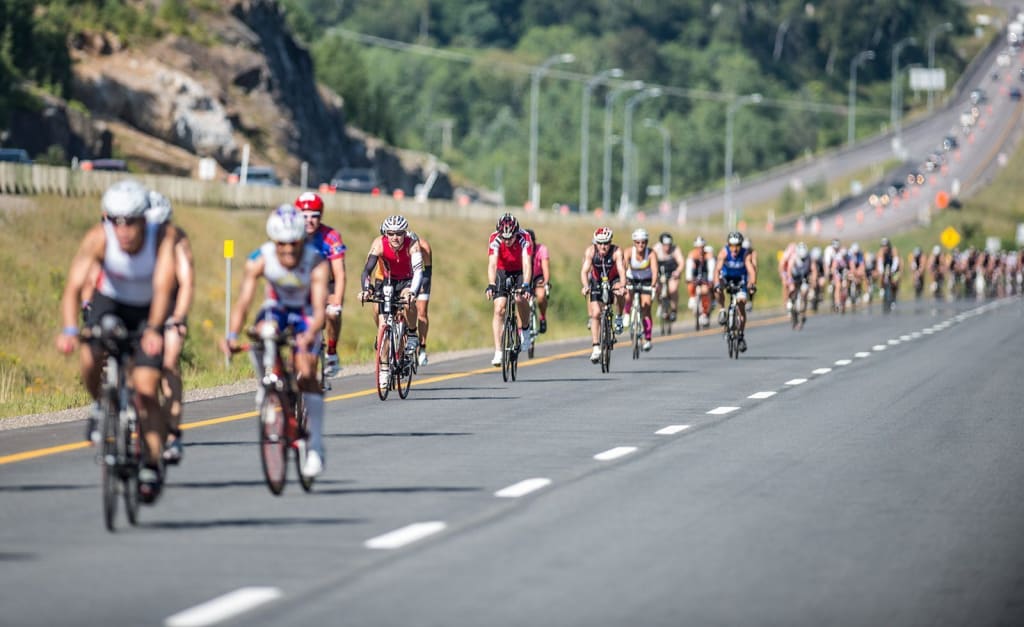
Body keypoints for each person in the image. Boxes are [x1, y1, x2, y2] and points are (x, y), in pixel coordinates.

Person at [55, 180, 178, 503]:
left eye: (131, 222)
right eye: (115, 221)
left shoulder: (160, 239)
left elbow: (165, 288)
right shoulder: (99, 238)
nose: (123, 230)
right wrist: (69, 329)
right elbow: (72, 287)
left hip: (149, 309)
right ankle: (100, 404)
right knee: (91, 349)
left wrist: (153, 329)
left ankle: (151, 464)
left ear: (144, 220)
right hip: (110, 302)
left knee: (148, 391)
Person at [221, 204, 329, 478]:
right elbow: (244, 302)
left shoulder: (316, 262)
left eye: (294, 244)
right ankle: (266, 383)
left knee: (305, 372)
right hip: (277, 308)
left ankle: (315, 445)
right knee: (261, 331)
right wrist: (231, 336)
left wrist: (308, 335)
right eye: (282, 245)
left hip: (305, 312)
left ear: (302, 241)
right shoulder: (260, 258)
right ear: (273, 241)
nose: (289, 252)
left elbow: (319, 311)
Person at [146, 191, 195, 466]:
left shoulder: (177, 239)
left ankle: (173, 432)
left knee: (168, 362)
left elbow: (186, 282)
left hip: (170, 306)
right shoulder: (128, 235)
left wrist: (178, 317)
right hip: (141, 305)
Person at [358, 215, 424, 381]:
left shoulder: (412, 244)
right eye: (391, 233)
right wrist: (366, 289)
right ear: (386, 233)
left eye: (399, 233)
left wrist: (412, 292)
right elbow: (367, 270)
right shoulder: (379, 243)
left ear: (405, 233)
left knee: (408, 301)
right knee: (383, 321)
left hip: (406, 279)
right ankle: (385, 368)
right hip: (386, 280)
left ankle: (412, 334)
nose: (395, 237)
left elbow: (418, 272)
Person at [295, 192, 346, 377]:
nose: (309, 221)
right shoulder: (291, 234)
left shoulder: (330, 236)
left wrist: (337, 301)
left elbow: (339, 273)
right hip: (302, 285)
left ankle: (331, 352)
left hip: (327, 285)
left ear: (320, 216)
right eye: (304, 216)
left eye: (314, 216)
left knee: (332, 314)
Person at [485, 213, 533, 366]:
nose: (507, 240)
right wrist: (491, 284)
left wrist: (525, 284)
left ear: (515, 233)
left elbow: (527, 264)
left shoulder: (524, 237)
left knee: (520, 298)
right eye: (504, 237)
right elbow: (492, 264)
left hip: (520, 271)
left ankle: (525, 329)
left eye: (510, 237)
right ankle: (498, 351)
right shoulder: (495, 238)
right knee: (499, 309)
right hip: (502, 270)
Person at [580, 227, 627, 363]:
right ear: (595, 243)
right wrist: (585, 286)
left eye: (606, 243)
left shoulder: (616, 251)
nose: (603, 246)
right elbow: (584, 272)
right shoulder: (591, 251)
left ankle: (618, 317)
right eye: (600, 243)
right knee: (595, 313)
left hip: (614, 279)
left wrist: (623, 286)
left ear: (610, 242)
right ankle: (596, 348)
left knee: (619, 291)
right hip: (597, 280)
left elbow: (621, 270)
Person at [715, 231, 757, 351]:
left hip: (741, 280)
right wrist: (717, 284)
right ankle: (722, 309)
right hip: (726, 278)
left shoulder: (745, 254)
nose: (734, 249)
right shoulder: (724, 252)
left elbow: (751, 271)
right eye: (731, 246)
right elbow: (717, 270)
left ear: (741, 245)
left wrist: (752, 284)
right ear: (728, 245)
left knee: (741, 303)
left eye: (737, 245)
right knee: (718, 289)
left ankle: (740, 336)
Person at [623, 228, 659, 352]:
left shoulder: (651, 253)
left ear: (647, 242)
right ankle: (627, 313)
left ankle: (648, 338)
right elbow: (623, 267)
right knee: (627, 295)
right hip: (632, 279)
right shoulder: (628, 252)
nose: (640, 245)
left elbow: (655, 271)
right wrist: (623, 282)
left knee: (646, 306)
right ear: (634, 242)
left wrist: (653, 285)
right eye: (637, 242)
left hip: (647, 281)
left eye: (643, 242)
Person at [407, 230, 432, 367]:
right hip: (405, 275)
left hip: (421, 275)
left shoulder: (424, 247)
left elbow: (427, 272)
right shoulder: (401, 244)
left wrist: (420, 289)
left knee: (422, 312)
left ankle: (422, 347)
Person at [652, 232, 685, 322]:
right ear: (661, 244)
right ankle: (660, 304)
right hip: (660, 272)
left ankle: (674, 309)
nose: (667, 247)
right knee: (656, 287)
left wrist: (678, 271)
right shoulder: (656, 249)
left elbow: (681, 262)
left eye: (669, 245)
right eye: (665, 245)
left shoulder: (675, 249)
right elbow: (651, 261)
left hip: (672, 273)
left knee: (672, 289)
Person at [684, 235, 716, 327]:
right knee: (690, 285)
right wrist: (689, 278)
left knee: (705, 290)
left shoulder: (708, 255)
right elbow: (689, 268)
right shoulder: (692, 254)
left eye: (701, 247)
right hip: (695, 275)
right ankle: (692, 297)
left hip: (705, 275)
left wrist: (710, 279)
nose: (700, 249)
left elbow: (711, 268)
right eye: (698, 247)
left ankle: (705, 312)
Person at [525, 228, 551, 334]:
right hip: (526, 276)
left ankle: (543, 317)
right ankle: (521, 328)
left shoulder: (542, 249)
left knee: (540, 296)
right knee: (520, 300)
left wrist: (545, 282)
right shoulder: (521, 250)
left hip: (537, 276)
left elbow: (545, 269)